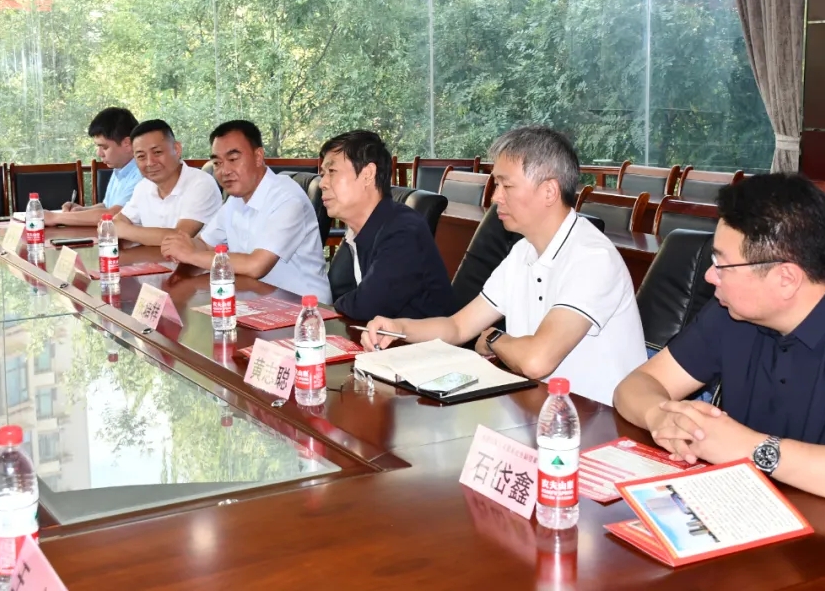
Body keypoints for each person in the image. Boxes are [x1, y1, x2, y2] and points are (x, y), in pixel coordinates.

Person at [611, 173, 825, 528]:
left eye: (722, 264)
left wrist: (752, 448)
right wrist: (660, 417)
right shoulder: (733, 312)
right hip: (769, 517)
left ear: (786, 279)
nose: (710, 276)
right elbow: (635, 386)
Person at [365, 126, 646, 405]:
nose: (495, 197)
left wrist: (494, 338)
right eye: (496, 185)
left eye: (506, 186)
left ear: (549, 191)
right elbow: (458, 327)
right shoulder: (523, 251)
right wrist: (397, 327)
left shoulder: (592, 258)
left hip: (595, 420)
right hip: (539, 407)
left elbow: (537, 361)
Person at [160, 120, 331, 301]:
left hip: (304, 306)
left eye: (233, 159)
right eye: (217, 163)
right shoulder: (236, 199)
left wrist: (191, 254)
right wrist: (180, 245)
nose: (224, 171)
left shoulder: (287, 199)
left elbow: (256, 266)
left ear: (258, 156)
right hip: (257, 298)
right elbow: (206, 244)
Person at [319, 130, 455, 320]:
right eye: (322, 174)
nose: (322, 183)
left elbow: (368, 306)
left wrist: (336, 306)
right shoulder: (358, 231)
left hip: (421, 339)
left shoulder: (404, 231)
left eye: (331, 172)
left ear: (368, 174)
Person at [115, 119, 223, 246]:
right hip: (152, 257)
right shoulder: (143, 186)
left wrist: (125, 230)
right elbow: (117, 222)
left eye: (157, 152)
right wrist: (118, 227)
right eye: (141, 156)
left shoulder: (201, 184)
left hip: (202, 259)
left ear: (177, 149)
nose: (150, 162)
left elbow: (179, 237)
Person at [44, 107, 142, 227]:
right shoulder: (120, 168)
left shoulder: (142, 173)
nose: (99, 153)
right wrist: (81, 210)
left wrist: (54, 217)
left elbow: (113, 214)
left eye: (104, 147)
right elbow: (107, 206)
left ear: (127, 144)